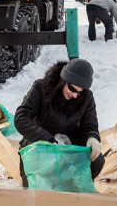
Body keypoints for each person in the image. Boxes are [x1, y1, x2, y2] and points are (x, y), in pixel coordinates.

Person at [14, 58, 104, 187]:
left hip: (68, 148)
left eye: (80, 91)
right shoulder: (41, 88)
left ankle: (73, 187)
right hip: (40, 145)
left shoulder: (87, 97)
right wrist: (48, 139)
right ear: (63, 80)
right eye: (72, 89)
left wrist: (92, 137)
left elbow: (90, 125)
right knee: (35, 187)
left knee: (97, 160)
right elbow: (21, 118)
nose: (75, 95)